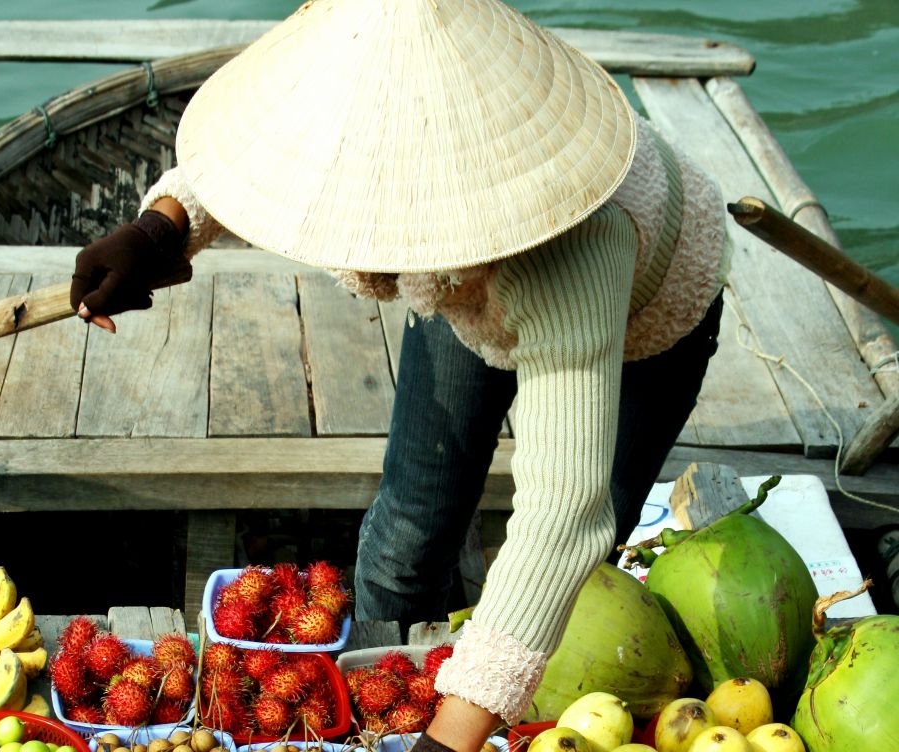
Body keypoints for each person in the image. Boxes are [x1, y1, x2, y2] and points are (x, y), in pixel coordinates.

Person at [70, 0, 730, 748]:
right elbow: (275, 140)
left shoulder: (574, 245)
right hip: (466, 287)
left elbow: (563, 513)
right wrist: (162, 229)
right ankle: (398, 665)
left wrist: (446, 739)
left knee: (587, 557)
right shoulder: (375, 80)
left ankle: (497, 693)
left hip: (646, 321)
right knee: (412, 520)